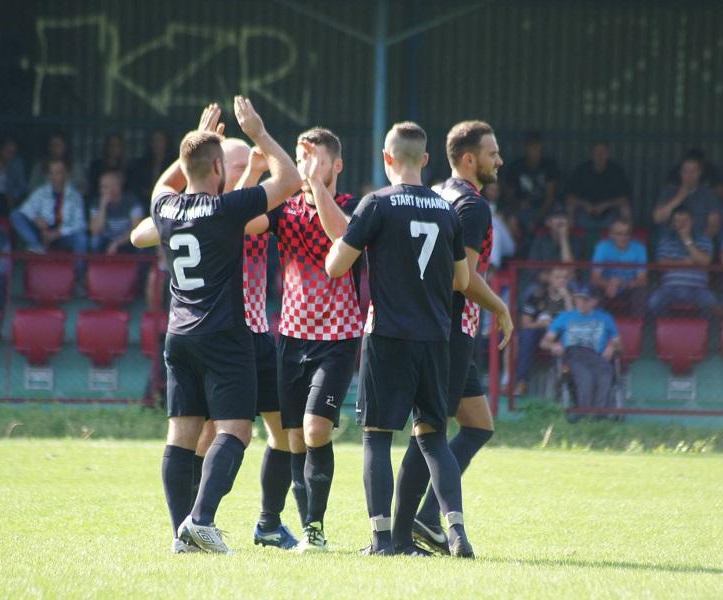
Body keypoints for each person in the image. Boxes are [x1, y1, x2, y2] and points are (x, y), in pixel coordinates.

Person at [143, 98, 301, 555]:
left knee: (180, 436)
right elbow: (290, 181)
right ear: (217, 166)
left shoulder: (165, 207)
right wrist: (259, 133)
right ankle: (201, 521)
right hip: (223, 334)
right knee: (236, 431)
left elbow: (162, 185)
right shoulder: (225, 209)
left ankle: (182, 535)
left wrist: (193, 143)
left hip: (179, 335)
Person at [325, 121, 474, 558]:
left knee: (376, 436)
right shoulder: (446, 210)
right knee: (433, 438)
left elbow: (336, 266)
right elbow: (463, 280)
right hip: (435, 338)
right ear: (425, 159)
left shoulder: (377, 204)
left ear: (387, 158)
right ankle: (457, 532)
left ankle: (382, 540)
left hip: (388, 334)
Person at [245, 127, 361, 553]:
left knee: (315, 430)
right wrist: (254, 175)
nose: (306, 166)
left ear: (337, 166)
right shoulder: (284, 209)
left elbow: (341, 236)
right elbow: (242, 222)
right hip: (292, 339)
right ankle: (306, 528)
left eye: (316, 160)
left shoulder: (354, 207)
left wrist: (313, 184)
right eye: (300, 159)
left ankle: (315, 528)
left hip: (338, 338)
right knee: (294, 438)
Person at [409, 120, 514, 555]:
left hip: (436, 325)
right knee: (430, 430)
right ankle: (406, 525)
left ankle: (423, 517)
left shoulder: (436, 193)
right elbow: (463, 279)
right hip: (451, 330)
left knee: (478, 425)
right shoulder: (473, 206)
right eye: (492, 153)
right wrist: (501, 307)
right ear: (469, 159)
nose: (499, 161)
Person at [541, 283, 620, 412]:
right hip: (573, 354)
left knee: (606, 372)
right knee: (586, 376)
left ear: (594, 301)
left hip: (596, 356)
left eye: (585, 299)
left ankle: (600, 414)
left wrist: (612, 346)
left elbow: (618, 343)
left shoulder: (605, 318)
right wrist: (553, 345)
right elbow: (544, 342)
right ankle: (584, 412)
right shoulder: (565, 317)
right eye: (578, 298)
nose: (581, 302)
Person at [514, 267, 573, 396]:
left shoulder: (572, 297)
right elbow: (525, 323)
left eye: (565, 278)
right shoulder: (537, 295)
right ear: (550, 279)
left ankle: (569, 383)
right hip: (539, 331)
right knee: (526, 336)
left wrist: (567, 298)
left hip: (561, 333)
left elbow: (574, 322)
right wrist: (539, 324)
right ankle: (522, 382)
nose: (561, 281)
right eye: (557, 277)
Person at [648, 207, 716, 318]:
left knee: (711, 303)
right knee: (654, 302)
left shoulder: (703, 239)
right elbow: (661, 265)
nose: (681, 224)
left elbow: (704, 262)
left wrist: (686, 239)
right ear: (673, 223)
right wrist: (686, 262)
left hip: (697, 288)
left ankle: (701, 327)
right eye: (677, 221)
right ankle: (667, 325)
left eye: (685, 221)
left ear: (692, 221)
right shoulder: (666, 240)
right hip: (670, 288)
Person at [11, 159, 87, 255]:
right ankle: (37, 246)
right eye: (51, 173)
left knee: (81, 238)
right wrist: (35, 218)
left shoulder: (75, 196)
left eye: (57, 173)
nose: (53, 177)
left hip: (62, 235)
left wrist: (58, 232)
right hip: (42, 233)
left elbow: (80, 224)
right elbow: (25, 209)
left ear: (66, 175)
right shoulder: (41, 191)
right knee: (15, 214)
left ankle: (80, 266)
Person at [563, 142, 631, 232]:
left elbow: (625, 199)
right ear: (591, 154)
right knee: (570, 206)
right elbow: (569, 198)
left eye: (603, 152)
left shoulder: (616, 171)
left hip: (610, 217)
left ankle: (625, 236)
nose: (600, 155)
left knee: (625, 208)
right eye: (597, 152)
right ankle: (569, 237)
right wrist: (585, 204)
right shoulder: (582, 170)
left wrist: (606, 205)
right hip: (584, 216)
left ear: (608, 154)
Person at [502, 130, 559, 233]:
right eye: (532, 148)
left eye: (537, 148)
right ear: (526, 148)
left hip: (543, 210)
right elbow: (509, 195)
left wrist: (537, 219)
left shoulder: (549, 166)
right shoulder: (516, 167)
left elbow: (550, 198)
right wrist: (518, 204)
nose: (534, 152)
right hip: (521, 210)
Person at [653, 155, 721, 239]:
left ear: (700, 173)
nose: (689, 175)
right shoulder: (668, 191)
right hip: (669, 240)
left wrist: (699, 241)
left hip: (698, 241)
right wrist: (679, 197)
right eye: (686, 171)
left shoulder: (709, 194)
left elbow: (714, 224)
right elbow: (657, 218)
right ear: (680, 173)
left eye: (693, 171)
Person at [590, 218, 648, 316]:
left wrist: (622, 284)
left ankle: (637, 323)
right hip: (606, 287)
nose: (623, 237)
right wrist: (609, 285)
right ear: (611, 234)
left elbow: (642, 279)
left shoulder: (639, 248)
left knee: (641, 291)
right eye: (619, 233)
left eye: (627, 233)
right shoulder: (602, 247)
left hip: (629, 288)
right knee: (595, 289)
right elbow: (595, 278)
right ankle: (597, 321)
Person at [89, 171, 143, 254]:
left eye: (106, 187)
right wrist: (103, 206)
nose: (102, 190)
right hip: (106, 239)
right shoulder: (96, 203)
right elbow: (95, 230)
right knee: (94, 241)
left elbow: (136, 229)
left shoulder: (132, 202)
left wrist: (117, 243)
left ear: (117, 187)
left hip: (126, 239)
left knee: (141, 242)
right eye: (102, 187)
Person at [128, 129, 172, 202]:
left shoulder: (172, 164)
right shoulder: (142, 164)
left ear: (166, 143)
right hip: (144, 201)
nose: (157, 144)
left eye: (160, 140)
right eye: (154, 141)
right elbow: (136, 186)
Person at [87, 133, 128, 202]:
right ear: (106, 147)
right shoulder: (96, 166)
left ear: (122, 148)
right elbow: (92, 188)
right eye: (111, 145)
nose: (113, 148)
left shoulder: (128, 168)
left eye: (116, 145)